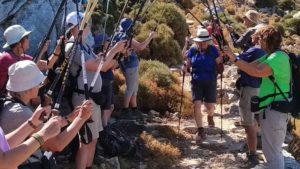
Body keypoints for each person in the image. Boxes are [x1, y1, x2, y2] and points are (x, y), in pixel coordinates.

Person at [0, 60, 94, 167]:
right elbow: (56, 144)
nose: (41, 85)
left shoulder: (9, 103)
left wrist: (70, 118)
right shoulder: (21, 112)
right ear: (29, 88)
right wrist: (81, 118)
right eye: (39, 83)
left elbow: (41, 129)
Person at [65, 11, 126, 169]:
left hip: (93, 98)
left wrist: (112, 54)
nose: (89, 26)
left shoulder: (84, 45)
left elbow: (100, 62)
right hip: (84, 98)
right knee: (85, 141)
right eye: (86, 24)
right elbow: (98, 66)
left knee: (93, 139)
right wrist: (115, 50)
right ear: (78, 27)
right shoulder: (73, 46)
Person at [224, 26, 291, 169]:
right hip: (272, 110)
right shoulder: (270, 55)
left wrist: (234, 58)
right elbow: (249, 66)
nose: (256, 41)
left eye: (259, 38)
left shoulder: (277, 57)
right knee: (271, 152)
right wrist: (231, 56)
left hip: (276, 110)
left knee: (273, 153)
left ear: (266, 41)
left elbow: (255, 71)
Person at [184, 28, 223, 143]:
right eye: (201, 41)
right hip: (196, 81)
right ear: (197, 41)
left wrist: (221, 63)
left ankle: (210, 116)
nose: (203, 43)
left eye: (205, 41)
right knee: (196, 105)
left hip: (210, 81)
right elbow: (188, 64)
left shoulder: (213, 50)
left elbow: (219, 63)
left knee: (209, 107)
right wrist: (185, 67)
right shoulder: (193, 50)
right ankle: (201, 131)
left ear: (208, 41)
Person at [0, 24, 63, 94]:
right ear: (19, 43)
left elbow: (48, 65)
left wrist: (57, 50)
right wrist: (41, 51)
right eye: (26, 37)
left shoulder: (21, 56)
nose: (28, 39)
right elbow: (29, 72)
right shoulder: (7, 58)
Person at [114, 18, 156, 119]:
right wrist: (150, 37)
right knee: (130, 88)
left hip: (126, 65)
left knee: (134, 88)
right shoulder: (127, 38)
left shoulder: (118, 35)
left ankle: (134, 109)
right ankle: (125, 111)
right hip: (130, 66)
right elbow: (141, 47)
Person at [235, 30, 266, 167]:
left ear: (258, 37)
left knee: (249, 123)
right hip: (261, 89)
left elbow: (238, 61)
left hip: (250, 89)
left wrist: (228, 53)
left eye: (254, 34)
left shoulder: (254, 50)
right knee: (255, 120)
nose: (251, 36)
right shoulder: (267, 51)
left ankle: (252, 155)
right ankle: (257, 149)